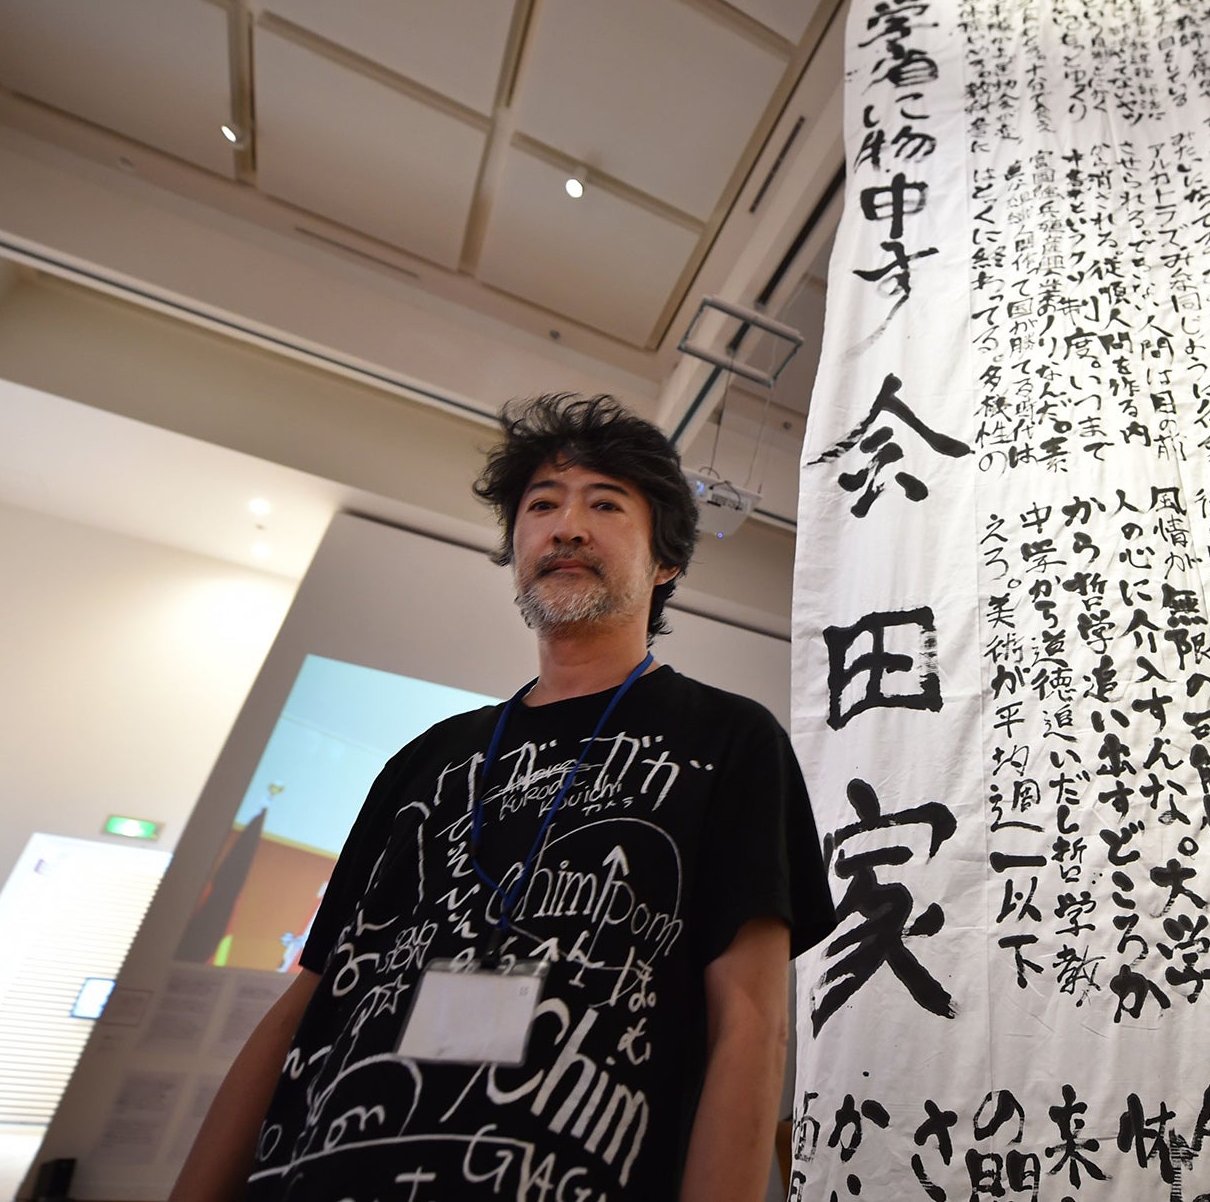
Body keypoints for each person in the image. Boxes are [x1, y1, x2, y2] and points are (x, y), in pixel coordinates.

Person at [172, 394, 835, 1202]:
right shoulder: (426, 758)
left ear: (665, 562)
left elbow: (751, 1025)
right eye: (542, 506)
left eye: (605, 504)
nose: (566, 526)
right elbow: (307, 996)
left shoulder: (731, 740)